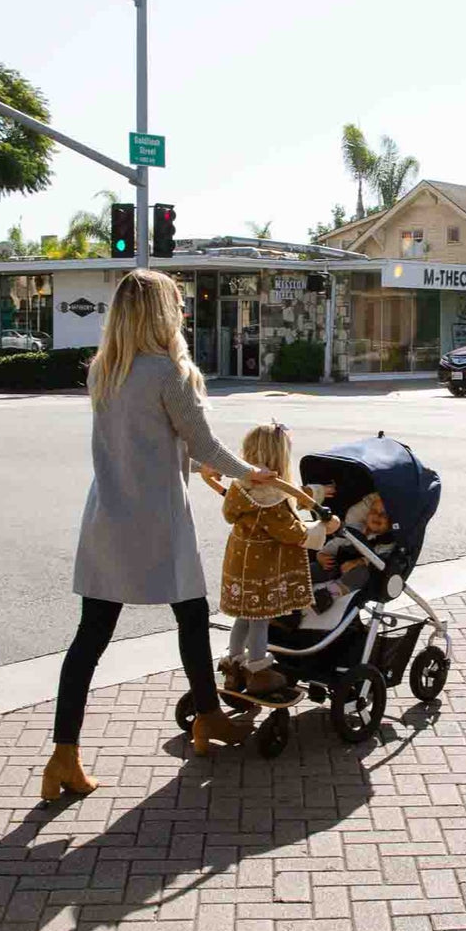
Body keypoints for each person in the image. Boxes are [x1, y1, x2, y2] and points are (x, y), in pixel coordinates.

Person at [41, 269, 276, 803]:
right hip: (159, 519)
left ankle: (64, 754)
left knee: (90, 639)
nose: (183, 313)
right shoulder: (170, 372)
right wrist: (250, 473)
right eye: (177, 304)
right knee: (191, 618)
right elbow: (204, 443)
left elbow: (147, 443)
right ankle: (209, 715)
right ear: (160, 314)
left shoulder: (105, 370)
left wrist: (199, 465)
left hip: (108, 516)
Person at [216, 422, 341, 697]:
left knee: (244, 617)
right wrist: (323, 528)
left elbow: (293, 493)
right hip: (263, 568)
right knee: (260, 619)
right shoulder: (270, 499)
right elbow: (292, 532)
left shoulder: (241, 487)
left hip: (239, 563)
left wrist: (317, 492)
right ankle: (258, 671)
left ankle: (234, 667)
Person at [311, 492, 396, 612]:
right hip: (338, 565)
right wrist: (322, 554)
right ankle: (296, 582)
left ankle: (329, 594)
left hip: (360, 573)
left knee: (360, 574)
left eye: (384, 514)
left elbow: (382, 558)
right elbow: (337, 543)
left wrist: (359, 562)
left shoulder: (386, 540)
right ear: (366, 514)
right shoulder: (356, 529)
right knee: (317, 567)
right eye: (374, 511)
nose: (377, 516)